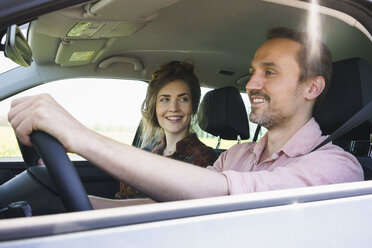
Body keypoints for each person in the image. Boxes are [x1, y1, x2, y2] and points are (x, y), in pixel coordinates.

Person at [8, 27, 363, 206]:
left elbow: (221, 193)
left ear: (312, 88)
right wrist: (66, 197)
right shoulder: (237, 156)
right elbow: (164, 204)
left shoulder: (338, 168)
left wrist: (79, 135)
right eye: (253, 71)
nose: (252, 83)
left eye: (269, 72)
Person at [115, 61, 218, 199]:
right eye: (165, 99)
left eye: (183, 99)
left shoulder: (204, 159)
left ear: (193, 106)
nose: (173, 108)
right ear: (154, 106)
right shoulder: (149, 152)